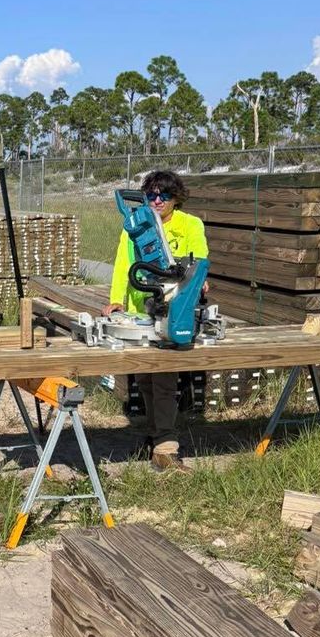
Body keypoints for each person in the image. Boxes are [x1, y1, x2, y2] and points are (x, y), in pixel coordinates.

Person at [103, 170, 208, 472]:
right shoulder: (134, 226)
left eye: (165, 195)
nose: (158, 200)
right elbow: (124, 263)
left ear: (177, 198)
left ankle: (166, 446)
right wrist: (116, 300)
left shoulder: (190, 225)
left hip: (173, 310)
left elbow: (199, 259)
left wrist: (199, 280)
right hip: (140, 308)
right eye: (151, 195)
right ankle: (154, 434)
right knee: (146, 379)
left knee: (163, 378)